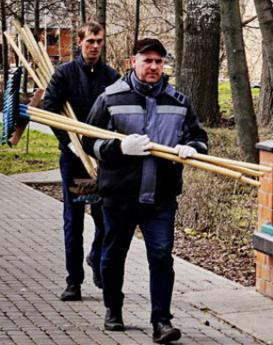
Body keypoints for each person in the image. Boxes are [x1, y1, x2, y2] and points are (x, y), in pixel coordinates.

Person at [82, 38, 208, 344]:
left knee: (162, 257)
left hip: (161, 197)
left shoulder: (178, 102)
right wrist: (119, 146)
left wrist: (191, 149)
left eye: (158, 61)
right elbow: (88, 141)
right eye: (147, 60)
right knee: (113, 256)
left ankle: (161, 321)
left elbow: (199, 137)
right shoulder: (110, 98)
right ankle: (113, 308)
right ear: (133, 62)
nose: (153, 67)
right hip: (119, 194)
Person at [44, 22, 120, 302]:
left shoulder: (112, 77)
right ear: (80, 43)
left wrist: (104, 149)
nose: (95, 46)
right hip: (75, 160)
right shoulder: (65, 74)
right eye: (90, 41)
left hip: (102, 161)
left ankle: (97, 258)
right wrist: (71, 144)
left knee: (104, 217)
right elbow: (50, 108)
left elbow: (117, 114)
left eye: (99, 41)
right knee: (73, 221)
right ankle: (73, 281)